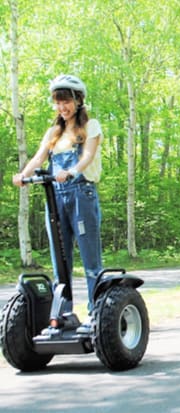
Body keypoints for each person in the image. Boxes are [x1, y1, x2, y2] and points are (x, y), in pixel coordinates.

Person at [12, 74, 103, 332]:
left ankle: (96, 314)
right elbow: (39, 158)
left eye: (66, 101)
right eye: (58, 102)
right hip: (56, 198)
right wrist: (23, 175)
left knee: (90, 260)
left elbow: (87, 156)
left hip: (81, 194)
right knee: (60, 260)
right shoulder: (54, 132)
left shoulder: (90, 126)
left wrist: (72, 171)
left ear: (78, 101)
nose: (62, 107)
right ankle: (63, 315)